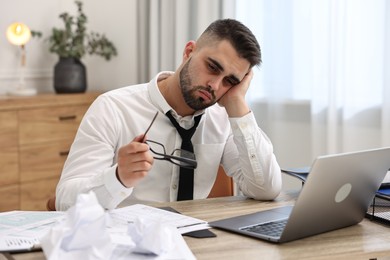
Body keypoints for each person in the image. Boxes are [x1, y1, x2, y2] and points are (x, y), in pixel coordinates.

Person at [56, 18, 282, 211]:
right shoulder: (112, 108)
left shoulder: (223, 119)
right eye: (212, 67)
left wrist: (237, 103)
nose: (214, 85)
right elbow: (64, 201)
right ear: (188, 52)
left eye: (229, 81)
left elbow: (266, 189)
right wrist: (118, 178)